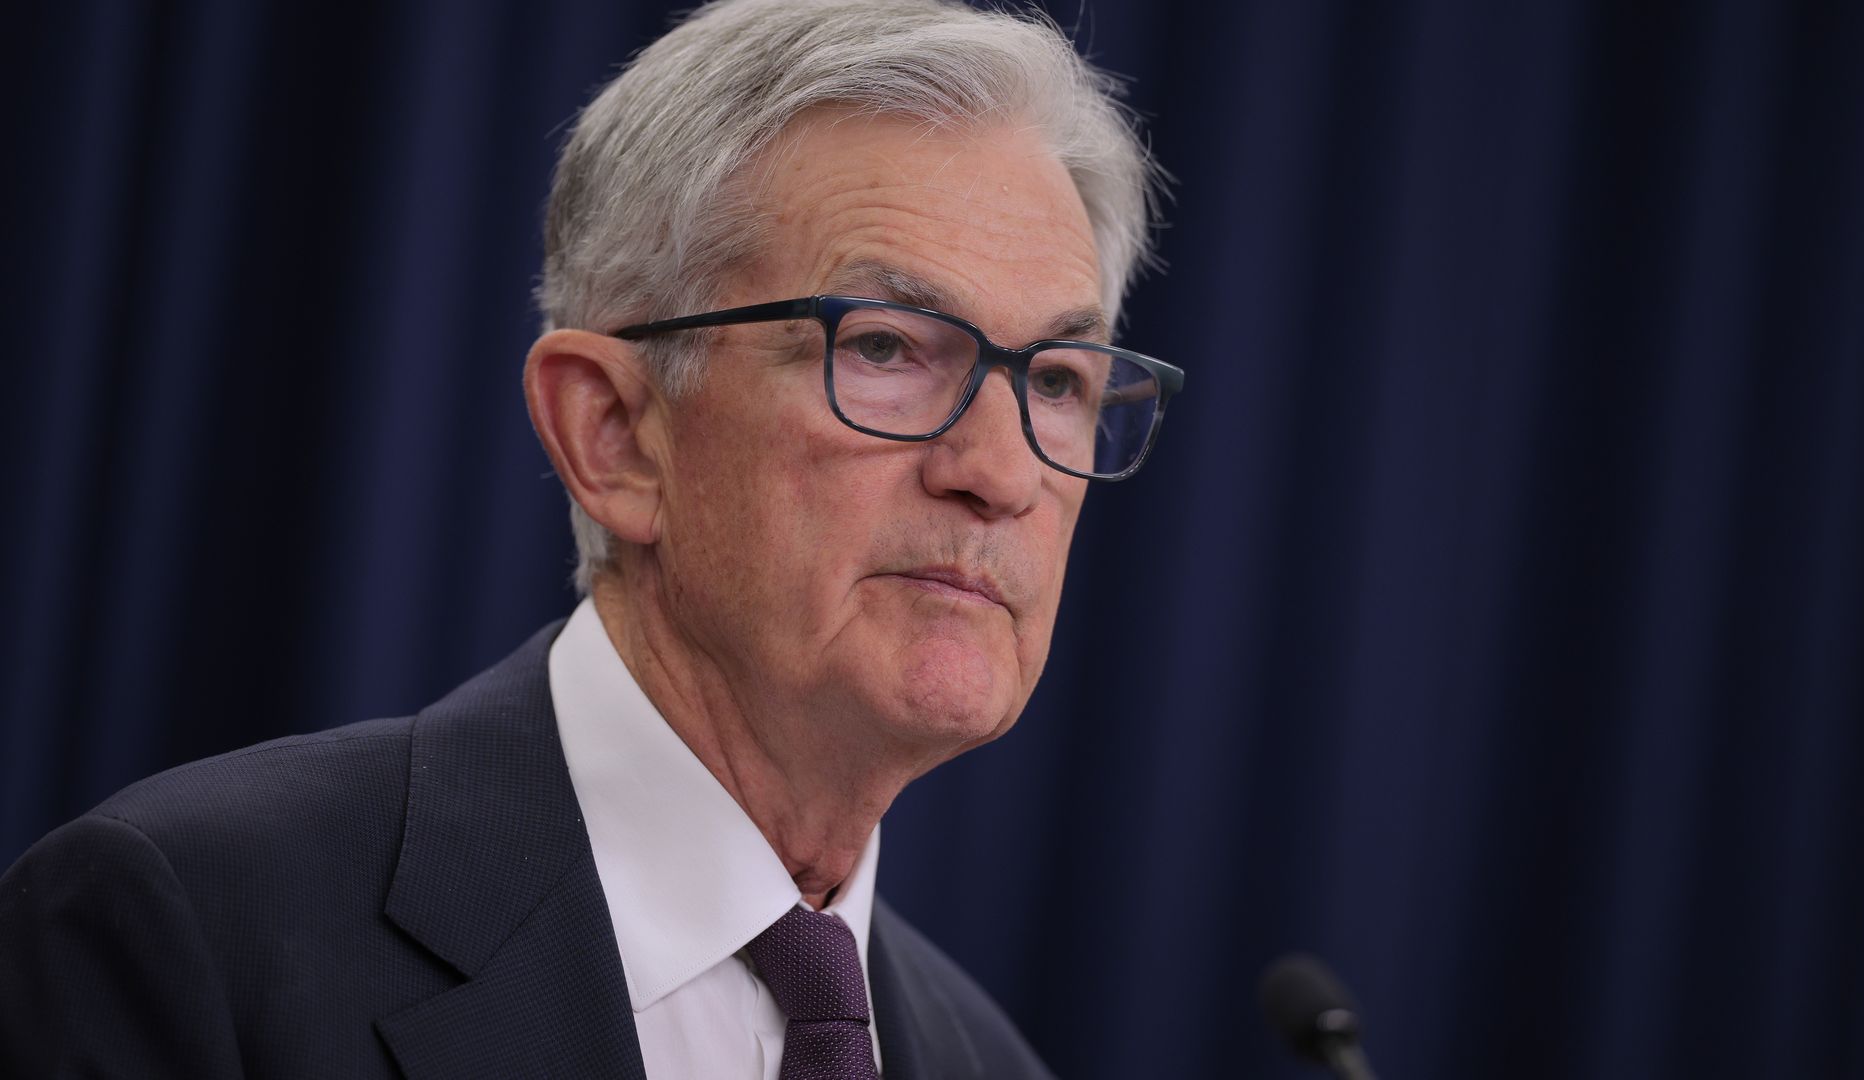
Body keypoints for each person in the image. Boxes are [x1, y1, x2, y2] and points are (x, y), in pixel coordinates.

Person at [0, 0, 1180, 1075]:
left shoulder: (993, 1063)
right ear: (614, 433)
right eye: (885, 348)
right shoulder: (190, 929)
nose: (1002, 474)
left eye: (1059, 379)